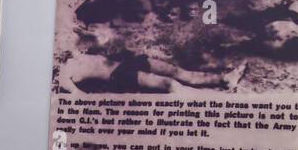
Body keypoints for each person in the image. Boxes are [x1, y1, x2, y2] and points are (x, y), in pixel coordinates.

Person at [66, 49, 246, 95]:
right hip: (119, 76)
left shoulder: (67, 50)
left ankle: (224, 79)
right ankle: (211, 100)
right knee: (170, 85)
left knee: (178, 71)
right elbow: (76, 94)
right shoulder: (60, 73)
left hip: (127, 62)